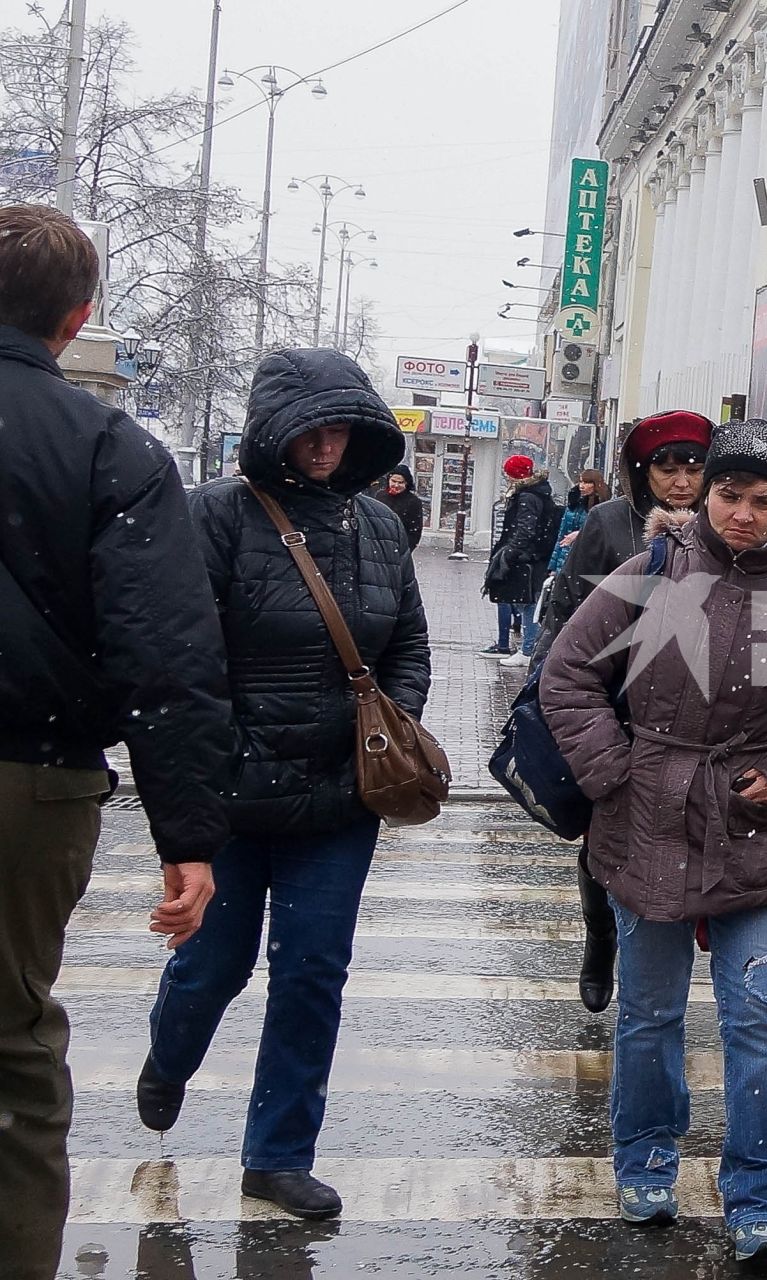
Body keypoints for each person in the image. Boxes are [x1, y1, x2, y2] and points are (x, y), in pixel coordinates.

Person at [540, 419, 767, 1263]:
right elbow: (567, 673)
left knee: (758, 1015)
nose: (742, 513)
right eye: (728, 493)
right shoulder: (652, 573)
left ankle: (758, 1192)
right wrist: (615, 770)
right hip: (647, 824)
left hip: (756, 833)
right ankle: (645, 1161)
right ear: (705, 492)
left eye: (763, 499)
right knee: (650, 1013)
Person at [137, 348, 432, 1222]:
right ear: (275, 431)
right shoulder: (216, 518)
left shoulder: (377, 527)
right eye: (311, 427)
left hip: (341, 800)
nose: (326, 444)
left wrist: (386, 724)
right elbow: (180, 652)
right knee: (213, 968)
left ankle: (278, 1155)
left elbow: (407, 646)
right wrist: (212, 762)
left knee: (311, 974)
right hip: (231, 796)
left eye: (342, 427)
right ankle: (169, 1054)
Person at [0, 203, 233, 1279]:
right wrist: (188, 834)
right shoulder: (109, 448)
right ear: (78, 317)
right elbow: (165, 651)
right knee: (11, 1053)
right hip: (30, 779)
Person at [536, 410, 712, 1014]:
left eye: (694, 467)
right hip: (615, 713)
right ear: (644, 474)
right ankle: (600, 937)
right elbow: (566, 613)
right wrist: (552, 696)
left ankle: (668, 956)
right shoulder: (611, 523)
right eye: (667, 468)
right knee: (601, 842)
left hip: (696, 719)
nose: (682, 481)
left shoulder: (725, 528)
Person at [484, 453, 560, 668]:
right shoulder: (536, 493)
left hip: (528, 558)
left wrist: (511, 552)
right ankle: (529, 648)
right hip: (534, 556)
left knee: (527, 604)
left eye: (508, 474)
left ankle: (528, 649)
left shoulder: (527, 496)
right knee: (528, 603)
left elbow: (525, 529)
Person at [546, 467, 605, 581]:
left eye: (587, 482)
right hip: (565, 559)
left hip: (586, 561)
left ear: (595, 485)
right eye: (581, 481)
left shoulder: (602, 507)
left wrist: (579, 534)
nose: (582, 486)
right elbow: (561, 537)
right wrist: (553, 567)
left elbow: (602, 534)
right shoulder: (574, 505)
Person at [375, 464, 425, 551]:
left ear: (407, 483)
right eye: (393, 481)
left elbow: (415, 531)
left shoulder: (414, 502)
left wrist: (405, 550)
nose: (396, 485)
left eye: (400, 482)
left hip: (399, 547)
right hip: (378, 545)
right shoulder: (380, 496)